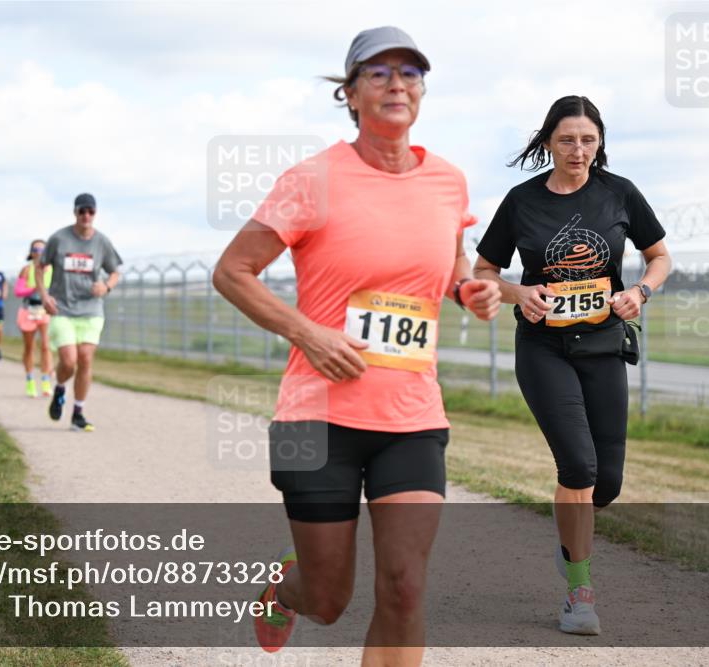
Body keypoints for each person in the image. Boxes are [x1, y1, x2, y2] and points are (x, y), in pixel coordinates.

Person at [212, 26, 500, 663]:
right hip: (315, 417)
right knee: (327, 599)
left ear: (423, 89)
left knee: (405, 587)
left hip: (411, 416)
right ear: (349, 92)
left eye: (410, 72)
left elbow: (451, 260)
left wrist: (467, 290)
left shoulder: (447, 181)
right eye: (379, 73)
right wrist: (306, 332)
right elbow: (231, 272)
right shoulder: (311, 179)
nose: (397, 84)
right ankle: (286, 589)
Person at [473, 95, 671, 636]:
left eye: (588, 140)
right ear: (547, 143)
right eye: (566, 140)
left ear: (599, 142)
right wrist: (519, 293)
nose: (578, 150)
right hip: (544, 350)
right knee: (578, 468)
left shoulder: (619, 193)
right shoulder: (522, 201)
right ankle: (579, 593)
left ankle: (570, 543)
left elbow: (659, 256)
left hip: (603, 347)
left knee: (605, 484)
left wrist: (641, 292)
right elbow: (483, 271)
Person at [36, 193, 123, 431]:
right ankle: (60, 389)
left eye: (90, 211)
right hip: (62, 308)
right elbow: (40, 267)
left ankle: (78, 413)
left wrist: (106, 286)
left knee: (85, 358)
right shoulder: (59, 239)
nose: (86, 216)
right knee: (69, 361)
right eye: (82, 211)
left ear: (95, 213)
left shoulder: (101, 242)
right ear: (75, 212)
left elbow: (115, 271)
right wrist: (44, 296)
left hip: (91, 309)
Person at [16, 240, 54, 397]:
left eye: (42, 249)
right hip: (29, 311)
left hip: (45, 311)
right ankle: (30, 380)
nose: (39, 252)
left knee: (45, 346)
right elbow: (18, 291)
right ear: (31, 252)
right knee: (29, 347)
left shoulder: (52, 270)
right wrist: (35, 288)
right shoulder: (26, 270)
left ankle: (46, 380)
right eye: (35, 249)